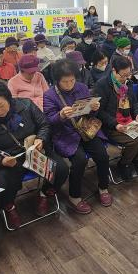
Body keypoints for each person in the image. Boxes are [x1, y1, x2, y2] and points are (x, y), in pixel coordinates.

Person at [0, 82, 69, 229]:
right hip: (11, 160)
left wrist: (40, 139)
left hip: (35, 152)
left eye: (2, 105)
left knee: (61, 169)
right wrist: (1, 161)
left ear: (8, 98)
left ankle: (45, 194)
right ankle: (9, 206)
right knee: (3, 181)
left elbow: (44, 125)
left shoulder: (25, 105)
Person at [43, 59, 113, 212]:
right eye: (65, 82)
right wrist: (61, 115)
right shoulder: (49, 95)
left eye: (72, 80)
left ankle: (103, 187)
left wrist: (94, 108)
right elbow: (49, 121)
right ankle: (74, 196)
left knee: (102, 155)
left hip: (85, 129)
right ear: (57, 80)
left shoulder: (81, 87)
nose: (69, 84)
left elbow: (89, 113)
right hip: (65, 135)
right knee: (80, 161)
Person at [93, 55, 138, 181]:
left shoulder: (127, 83)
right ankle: (124, 164)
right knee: (134, 142)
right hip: (112, 125)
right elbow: (100, 112)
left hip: (129, 121)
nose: (126, 78)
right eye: (123, 75)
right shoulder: (102, 85)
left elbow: (134, 103)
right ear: (114, 71)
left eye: (128, 75)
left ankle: (137, 160)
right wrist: (115, 124)